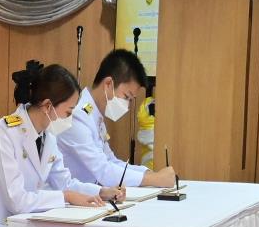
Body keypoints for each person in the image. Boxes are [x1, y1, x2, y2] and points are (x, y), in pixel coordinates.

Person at [0, 60, 120, 227]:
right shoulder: (4, 131)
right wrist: (66, 197)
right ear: (48, 106)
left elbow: (64, 182)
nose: (70, 119)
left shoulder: (48, 136)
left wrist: (100, 192)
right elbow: (17, 200)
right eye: (68, 112)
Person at [56, 48, 176, 190]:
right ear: (108, 84)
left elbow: (111, 161)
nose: (127, 105)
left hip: (89, 194)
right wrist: (154, 179)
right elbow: (103, 171)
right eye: (126, 97)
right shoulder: (77, 116)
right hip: (71, 196)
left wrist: (148, 173)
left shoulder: (93, 114)